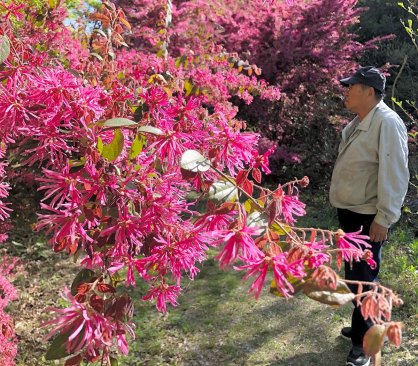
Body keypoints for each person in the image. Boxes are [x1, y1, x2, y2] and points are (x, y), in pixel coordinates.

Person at [329, 66, 409, 366]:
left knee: (364, 281)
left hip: (367, 217)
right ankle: (361, 326)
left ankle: (365, 343)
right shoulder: (359, 121)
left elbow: (396, 174)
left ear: (370, 92)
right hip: (350, 213)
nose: (347, 90)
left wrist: (384, 218)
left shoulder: (387, 123)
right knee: (354, 278)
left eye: (353, 86)